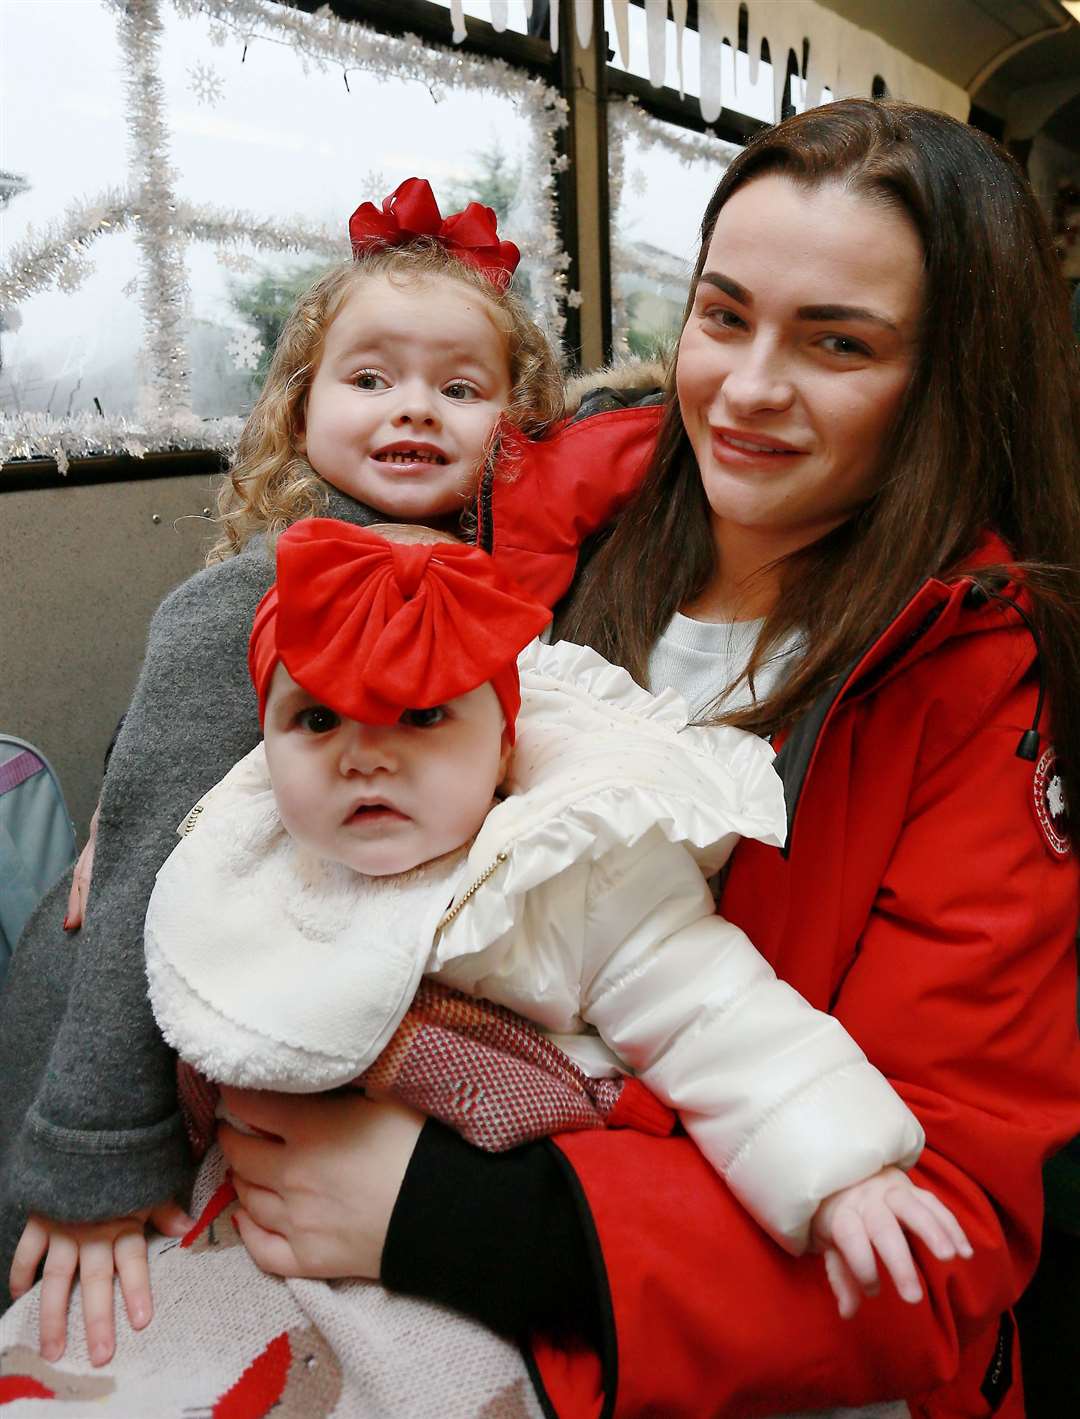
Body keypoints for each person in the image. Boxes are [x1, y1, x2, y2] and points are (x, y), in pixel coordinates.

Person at [200, 100, 1080, 1419]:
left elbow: (937, 1239)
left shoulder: (974, 681)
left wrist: (448, 1211)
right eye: (723, 317)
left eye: (837, 342)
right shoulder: (534, 516)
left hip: (642, 1301)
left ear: (949, 376)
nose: (749, 385)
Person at [0, 177, 656, 1367]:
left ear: (517, 424)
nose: (415, 410)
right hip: (106, 1021)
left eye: (460, 388)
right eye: (371, 380)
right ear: (303, 407)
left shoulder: (512, 589)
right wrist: (99, 1145)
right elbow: (145, 853)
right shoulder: (252, 596)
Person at [143, 517, 969, 1324]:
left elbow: (710, 1009)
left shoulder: (568, 867)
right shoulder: (257, 849)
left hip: (500, 1225)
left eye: (423, 714)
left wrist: (841, 1170)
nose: (365, 752)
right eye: (316, 719)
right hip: (271, 1210)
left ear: (505, 745)